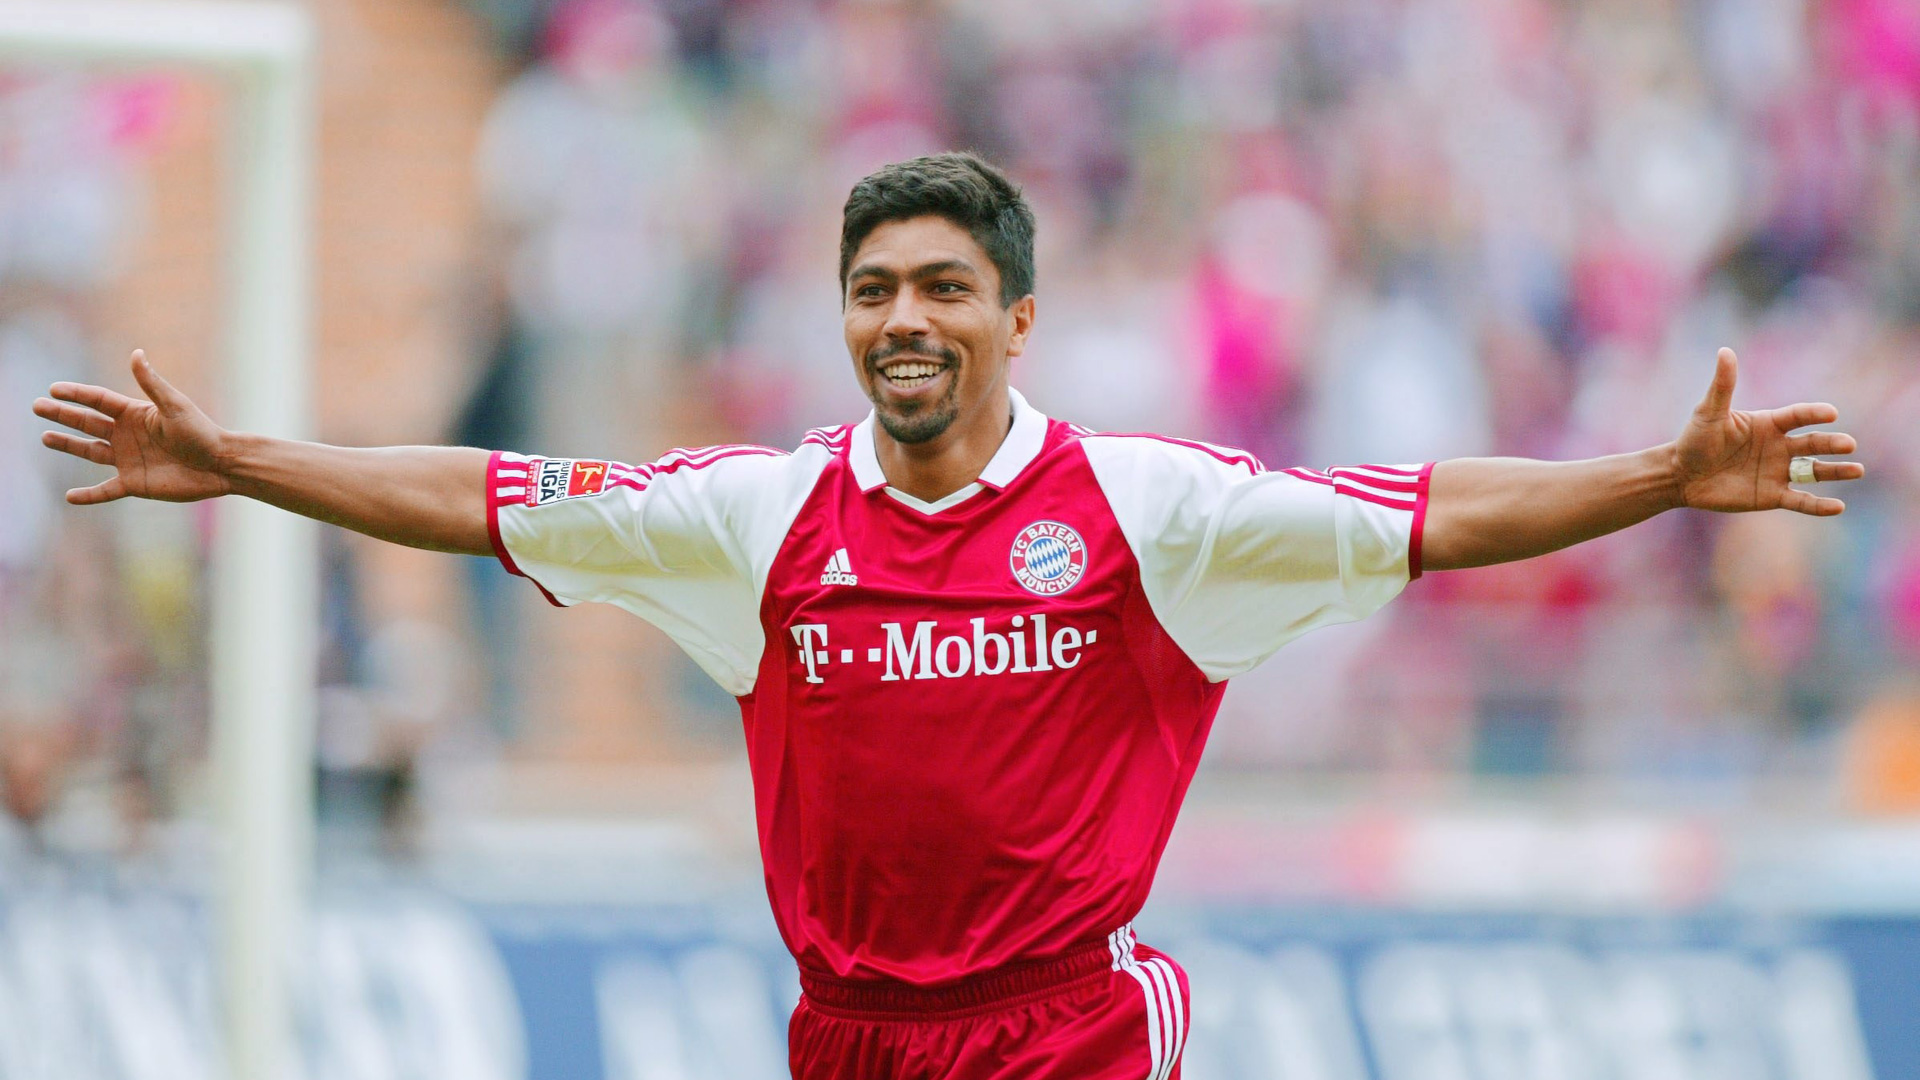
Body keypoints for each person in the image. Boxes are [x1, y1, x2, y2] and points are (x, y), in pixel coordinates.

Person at [31, 152, 1862, 1078]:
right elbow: (489, 495)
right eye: (873, 289)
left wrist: (1657, 476)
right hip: (847, 1034)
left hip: (1065, 1031)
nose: (903, 317)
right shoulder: (759, 518)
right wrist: (238, 459)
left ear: (1017, 318)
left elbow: (1432, 512)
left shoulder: (1149, 510)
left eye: (944, 286)